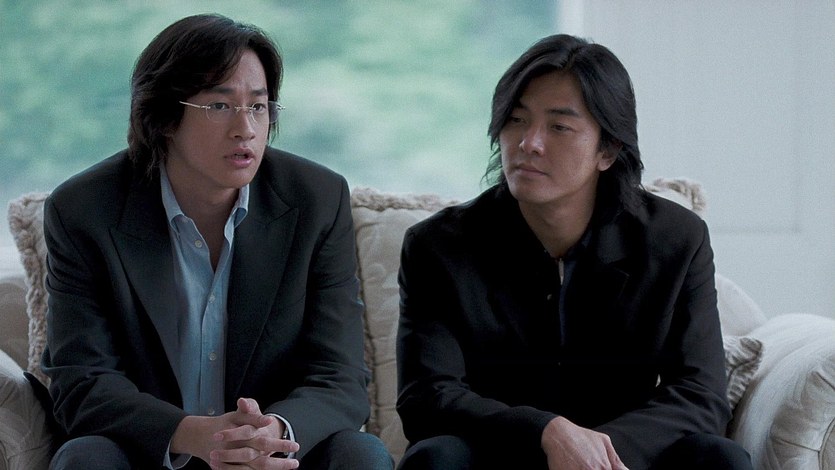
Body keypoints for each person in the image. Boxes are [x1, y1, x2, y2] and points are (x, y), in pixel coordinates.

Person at [40, 13, 392, 470]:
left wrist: (274, 432)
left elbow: (340, 375)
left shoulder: (316, 200)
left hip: (275, 458)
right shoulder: (84, 210)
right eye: (220, 106)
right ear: (164, 117)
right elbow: (83, 382)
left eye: (259, 107)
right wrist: (193, 435)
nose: (246, 128)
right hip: (152, 454)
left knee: (361, 454)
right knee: (85, 458)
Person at [395, 34, 753, 470]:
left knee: (720, 458)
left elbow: (700, 395)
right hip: (501, 454)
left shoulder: (675, 239)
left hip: (626, 460)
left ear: (608, 149)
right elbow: (426, 395)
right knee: (436, 457)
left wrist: (596, 453)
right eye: (516, 120)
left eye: (559, 127)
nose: (529, 143)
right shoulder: (438, 246)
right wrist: (545, 433)